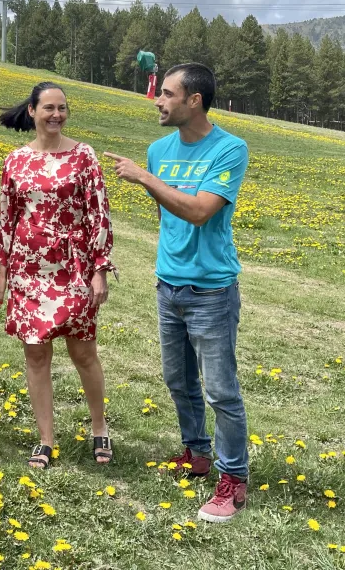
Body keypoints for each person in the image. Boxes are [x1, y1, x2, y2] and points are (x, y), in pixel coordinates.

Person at [105, 62, 250, 523]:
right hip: (168, 285)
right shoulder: (158, 149)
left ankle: (233, 480)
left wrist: (145, 178)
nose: (158, 100)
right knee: (179, 381)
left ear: (194, 101)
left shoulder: (230, 149)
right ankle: (196, 453)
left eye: (167, 94)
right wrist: (152, 177)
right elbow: (169, 208)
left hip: (211, 290)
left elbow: (200, 212)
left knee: (221, 391)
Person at [0, 82, 116, 469]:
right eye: (48, 107)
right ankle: (46, 439)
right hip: (28, 269)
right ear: (32, 111)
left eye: (62, 108)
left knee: (83, 351)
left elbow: (98, 214)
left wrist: (99, 270)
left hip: (73, 267)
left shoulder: (83, 156)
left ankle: (99, 427)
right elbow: (7, 218)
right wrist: (2, 271)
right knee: (36, 354)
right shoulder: (15, 160)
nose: (56, 114)